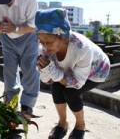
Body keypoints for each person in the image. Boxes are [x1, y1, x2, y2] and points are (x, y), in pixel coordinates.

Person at [35, 8, 110, 139]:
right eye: (41, 42)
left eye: (48, 41)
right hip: (68, 69)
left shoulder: (82, 48)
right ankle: (62, 123)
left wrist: (51, 70)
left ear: (62, 35)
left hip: (96, 70)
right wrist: (45, 69)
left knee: (71, 92)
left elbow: (77, 83)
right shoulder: (46, 49)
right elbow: (47, 80)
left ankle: (80, 125)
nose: (45, 46)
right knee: (57, 88)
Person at [0, 0, 40, 118]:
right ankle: (11, 100)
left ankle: (27, 105)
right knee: (9, 70)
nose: (5, 3)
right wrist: (1, 27)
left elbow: (33, 25)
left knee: (29, 68)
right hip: (7, 37)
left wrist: (15, 28)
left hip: (28, 36)